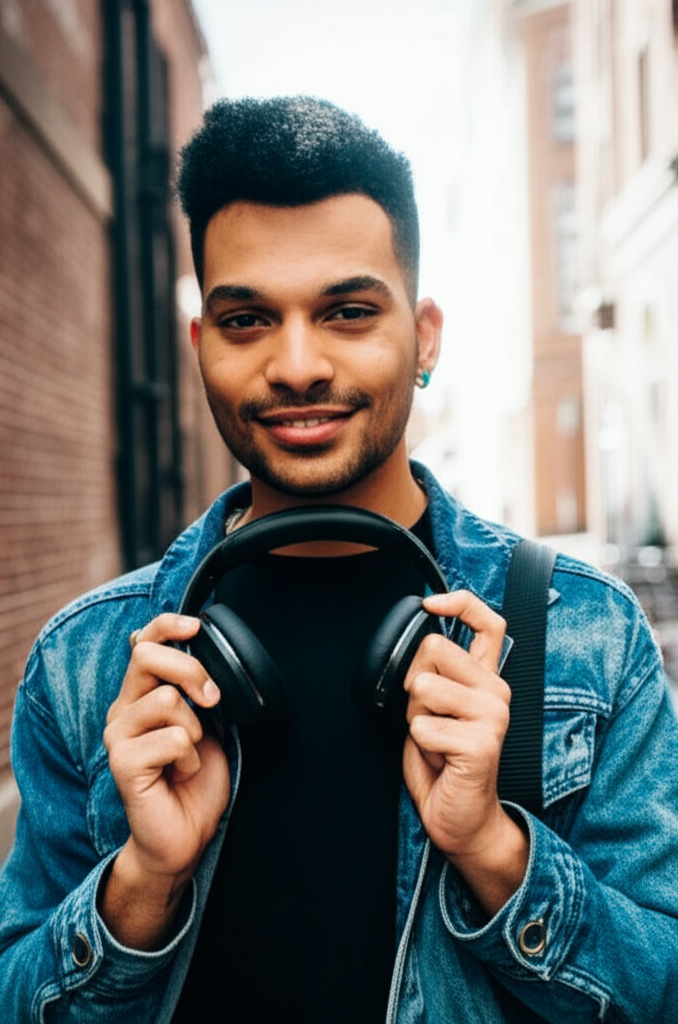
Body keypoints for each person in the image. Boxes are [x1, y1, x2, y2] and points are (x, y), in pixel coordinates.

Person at [0, 96, 677, 1024]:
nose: (297, 365)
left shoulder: (584, 635)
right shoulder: (84, 666)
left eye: (349, 311)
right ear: (199, 348)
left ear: (424, 335)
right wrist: (142, 882)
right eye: (245, 321)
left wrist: (493, 851)